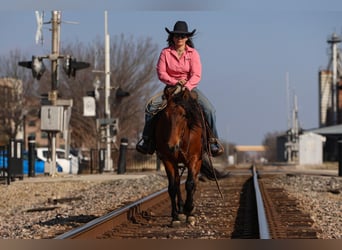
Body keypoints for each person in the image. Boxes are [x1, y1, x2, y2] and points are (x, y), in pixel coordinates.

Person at [136, 20, 224, 156]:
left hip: (190, 89)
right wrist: (175, 82)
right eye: (176, 36)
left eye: (182, 36)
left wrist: (187, 86)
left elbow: (196, 74)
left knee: (209, 110)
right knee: (151, 108)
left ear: (187, 38)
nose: (179, 39)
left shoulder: (193, 53)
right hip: (171, 89)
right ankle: (147, 141)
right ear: (172, 37)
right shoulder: (165, 53)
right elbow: (161, 72)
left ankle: (212, 142)